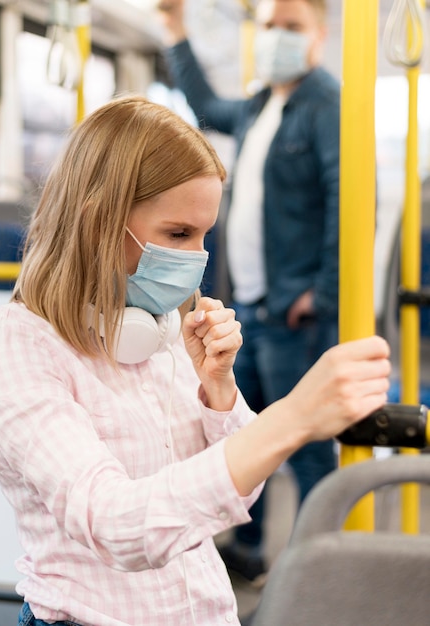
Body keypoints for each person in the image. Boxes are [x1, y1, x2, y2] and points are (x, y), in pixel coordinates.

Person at [0, 96, 390, 626]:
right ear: (99, 222)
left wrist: (218, 392)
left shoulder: (159, 326)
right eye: (178, 235)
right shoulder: (18, 347)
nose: (196, 258)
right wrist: (292, 416)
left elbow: (238, 492)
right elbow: (117, 525)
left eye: (205, 235)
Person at [157, 0, 340, 585]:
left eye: (293, 27)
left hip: (293, 310)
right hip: (253, 306)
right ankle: (256, 551)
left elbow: (346, 200)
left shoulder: (325, 106)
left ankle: (322, 568)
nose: (278, 38)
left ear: (319, 36)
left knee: (306, 444)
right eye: (270, 27)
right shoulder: (263, 103)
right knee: (249, 438)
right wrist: (177, 31)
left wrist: (323, 293)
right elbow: (206, 107)